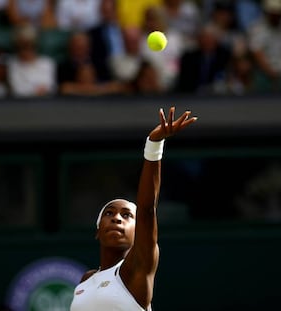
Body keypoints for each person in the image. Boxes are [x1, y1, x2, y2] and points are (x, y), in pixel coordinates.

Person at [69, 107, 197, 311]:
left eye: (127, 215)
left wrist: (154, 144)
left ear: (139, 232)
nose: (117, 219)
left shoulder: (137, 268)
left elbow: (146, 210)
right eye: (109, 213)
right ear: (97, 231)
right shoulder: (86, 279)